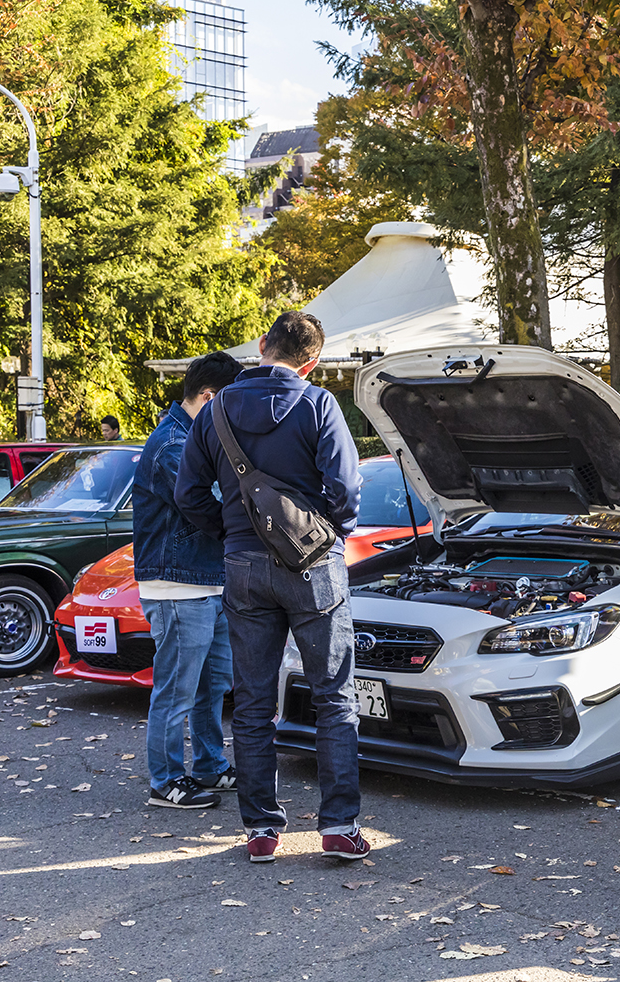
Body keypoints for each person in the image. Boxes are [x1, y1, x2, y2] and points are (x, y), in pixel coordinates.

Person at [175, 311, 366, 864]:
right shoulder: (317, 404)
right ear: (311, 362)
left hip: (243, 568)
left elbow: (189, 495)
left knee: (254, 702)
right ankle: (338, 826)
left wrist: (233, 533)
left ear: (262, 346)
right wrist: (319, 537)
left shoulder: (216, 411)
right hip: (313, 567)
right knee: (333, 697)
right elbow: (347, 492)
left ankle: (261, 829)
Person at [133, 351, 244, 809]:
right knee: (177, 688)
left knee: (211, 685)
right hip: (178, 587)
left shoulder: (192, 438)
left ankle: (210, 766)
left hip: (206, 581)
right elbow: (210, 505)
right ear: (209, 396)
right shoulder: (172, 446)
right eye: (231, 403)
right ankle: (164, 781)